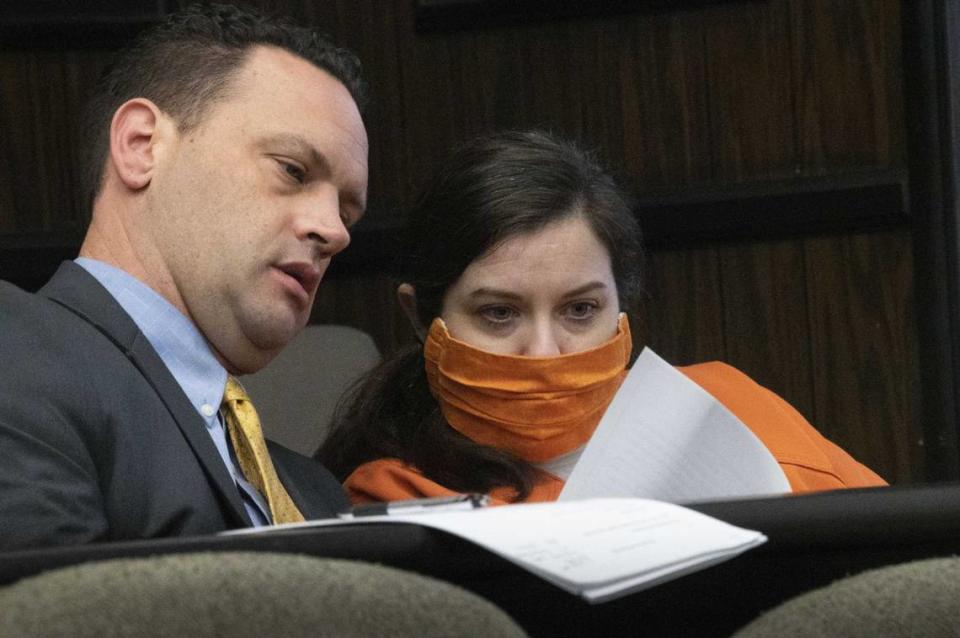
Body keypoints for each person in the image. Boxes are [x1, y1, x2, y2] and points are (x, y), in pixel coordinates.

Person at [316, 130, 886, 505]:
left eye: (580, 310)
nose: (543, 352)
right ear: (421, 318)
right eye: (498, 313)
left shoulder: (727, 404)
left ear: (622, 309)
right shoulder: (395, 494)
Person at [0, 3, 368, 550]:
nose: (334, 231)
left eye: (348, 211)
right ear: (141, 146)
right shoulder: (14, 352)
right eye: (293, 170)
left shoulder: (319, 495)